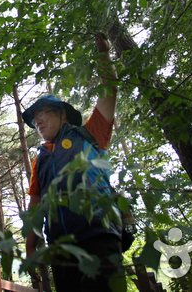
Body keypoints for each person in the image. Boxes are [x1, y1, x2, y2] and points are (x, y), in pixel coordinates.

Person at [23, 34, 124, 292]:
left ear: (62, 114)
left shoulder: (89, 135)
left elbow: (109, 90)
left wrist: (104, 56)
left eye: (42, 114)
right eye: (35, 120)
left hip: (99, 237)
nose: (38, 122)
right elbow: (35, 206)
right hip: (60, 250)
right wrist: (30, 248)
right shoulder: (40, 160)